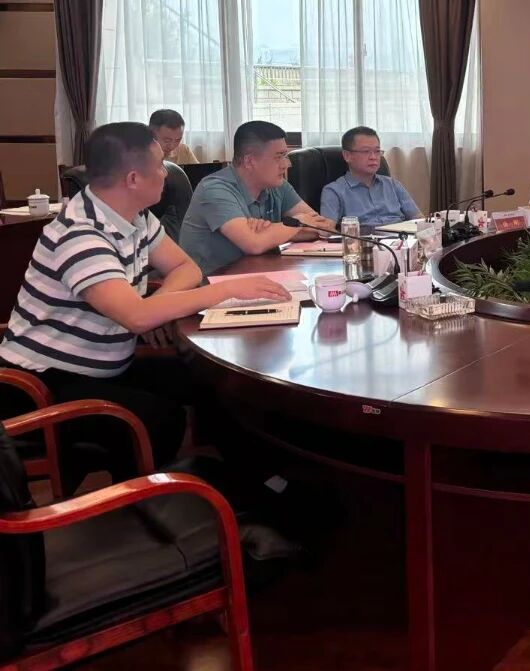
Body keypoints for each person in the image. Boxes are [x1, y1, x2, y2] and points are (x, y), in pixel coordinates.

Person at [0, 122, 291, 489]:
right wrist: (224, 291)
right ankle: (143, 502)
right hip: (44, 381)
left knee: (214, 379)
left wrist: (157, 305)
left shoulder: (134, 216)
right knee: (157, 418)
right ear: (134, 178)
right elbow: (136, 317)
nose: (165, 174)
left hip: (106, 362)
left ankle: (258, 479)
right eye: (159, 166)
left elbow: (186, 268)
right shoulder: (80, 234)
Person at [180, 120, 336, 275]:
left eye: (285, 156)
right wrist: (297, 223)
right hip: (209, 282)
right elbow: (254, 244)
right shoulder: (215, 189)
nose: (287, 164)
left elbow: (324, 227)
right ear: (250, 161)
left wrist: (271, 231)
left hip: (256, 275)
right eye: (279, 157)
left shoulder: (277, 185)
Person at [320, 126, 422, 227]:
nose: (373, 157)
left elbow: (418, 219)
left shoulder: (393, 185)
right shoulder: (333, 191)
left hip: (401, 235)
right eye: (366, 151)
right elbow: (327, 230)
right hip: (364, 237)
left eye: (377, 151)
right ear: (347, 156)